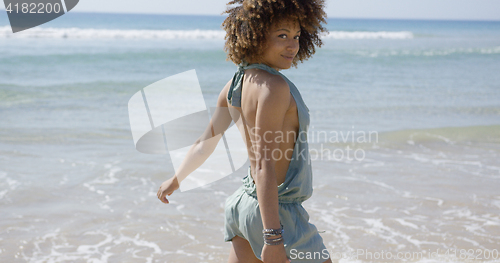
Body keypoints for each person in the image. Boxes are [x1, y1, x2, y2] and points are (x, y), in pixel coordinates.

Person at [157, 0, 331, 262]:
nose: (293, 45)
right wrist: (273, 236)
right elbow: (263, 164)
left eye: (296, 36)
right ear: (256, 35)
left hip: (244, 206)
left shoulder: (234, 84)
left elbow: (205, 143)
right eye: (282, 35)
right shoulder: (274, 87)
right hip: (277, 214)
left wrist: (177, 178)